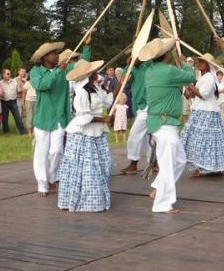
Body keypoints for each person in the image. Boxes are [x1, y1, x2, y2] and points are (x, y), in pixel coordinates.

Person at [30, 33, 92, 197]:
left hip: (60, 117)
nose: (57, 55)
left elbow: (83, 65)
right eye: (53, 53)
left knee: (56, 151)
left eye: (57, 53)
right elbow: (43, 85)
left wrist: (86, 46)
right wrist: (58, 71)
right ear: (45, 58)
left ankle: (52, 178)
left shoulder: (65, 69)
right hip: (43, 118)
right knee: (41, 153)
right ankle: (42, 185)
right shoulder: (35, 72)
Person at [141, 38, 195, 214]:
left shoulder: (150, 71)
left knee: (179, 160)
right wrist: (184, 63)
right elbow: (191, 77)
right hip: (164, 124)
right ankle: (162, 204)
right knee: (169, 164)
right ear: (165, 55)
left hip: (162, 123)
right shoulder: (169, 71)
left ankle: (158, 187)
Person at [58, 59, 113, 212]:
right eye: (94, 72)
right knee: (87, 167)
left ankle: (95, 198)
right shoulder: (81, 92)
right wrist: (103, 119)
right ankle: (86, 201)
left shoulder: (94, 89)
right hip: (83, 135)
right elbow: (83, 117)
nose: (97, 74)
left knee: (103, 164)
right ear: (88, 75)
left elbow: (107, 103)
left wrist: (120, 84)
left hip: (97, 133)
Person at [181, 54, 224, 177]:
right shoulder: (201, 77)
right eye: (200, 62)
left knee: (205, 140)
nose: (200, 64)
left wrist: (191, 86)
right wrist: (189, 90)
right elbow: (193, 94)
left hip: (207, 112)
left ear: (208, 65)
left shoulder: (209, 77)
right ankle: (202, 167)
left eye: (203, 62)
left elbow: (203, 95)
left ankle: (208, 167)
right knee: (196, 140)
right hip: (199, 110)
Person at [120, 57, 153, 175]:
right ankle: (153, 163)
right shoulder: (131, 67)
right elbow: (124, 80)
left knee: (135, 135)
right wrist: (129, 66)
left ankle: (134, 163)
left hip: (150, 105)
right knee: (149, 136)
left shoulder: (149, 64)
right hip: (139, 106)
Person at [0, 69, 26, 135]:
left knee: (17, 117)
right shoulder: (0, 83)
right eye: (8, 74)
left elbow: (19, 91)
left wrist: (23, 85)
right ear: (3, 75)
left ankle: (22, 132)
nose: (9, 75)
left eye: (10, 73)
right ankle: (6, 132)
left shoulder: (14, 81)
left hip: (13, 101)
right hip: (4, 102)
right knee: (5, 118)